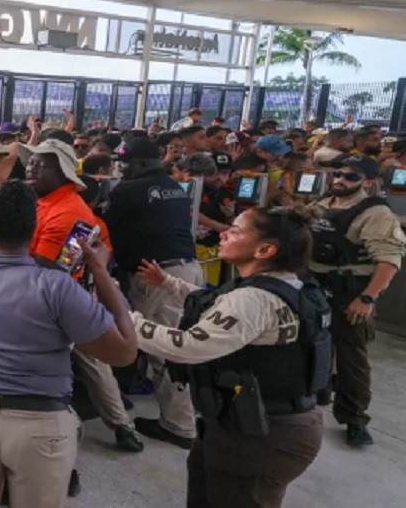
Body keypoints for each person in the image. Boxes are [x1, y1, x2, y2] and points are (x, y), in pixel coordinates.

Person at [0, 179, 138, 508]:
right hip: (39, 422)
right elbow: (125, 352)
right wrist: (100, 271)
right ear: (33, 233)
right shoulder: (58, 288)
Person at [133, 206, 331, 507]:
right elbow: (215, 305)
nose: (223, 233)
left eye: (236, 230)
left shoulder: (253, 300)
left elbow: (187, 346)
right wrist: (169, 283)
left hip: (262, 435)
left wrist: (126, 321)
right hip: (253, 424)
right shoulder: (286, 284)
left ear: (265, 249)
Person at [23, 139, 144, 454]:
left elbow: (47, 269)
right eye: (31, 161)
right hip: (65, 298)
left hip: (57, 304)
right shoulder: (45, 202)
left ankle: (67, 444)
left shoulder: (68, 213)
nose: (31, 168)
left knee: (65, 372)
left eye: (41, 164)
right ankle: (121, 426)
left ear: (64, 172)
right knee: (92, 365)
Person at [102, 138, 202, 449]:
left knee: (163, 349)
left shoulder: (128, 191)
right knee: (176, 342)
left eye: (125, 163)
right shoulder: (174, 186)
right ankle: (184, 414)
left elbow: (103, 227)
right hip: (186, 269)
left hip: (157, 276)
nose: (121, 169)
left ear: (142, 163)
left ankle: (179, 426)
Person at [306, 155, 406, 446]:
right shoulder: (322, 203)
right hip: (314, 289)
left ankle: (354, 418)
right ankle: (316, 391)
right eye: (338, 173)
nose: (340, 179)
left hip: (350, 294)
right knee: (310, 346)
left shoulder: (376, 214)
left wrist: (366, 298)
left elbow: (388, 263)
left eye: (351, 177)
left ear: (368, 182)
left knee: (351, 360)